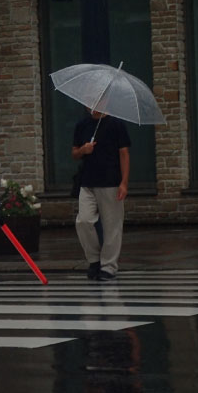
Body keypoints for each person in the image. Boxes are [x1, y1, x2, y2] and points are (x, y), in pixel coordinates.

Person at [72, 107, 130, 282]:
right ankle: (94, 259)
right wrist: (83, 150)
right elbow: (74, 153)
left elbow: (124, 153)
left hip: (110, 181)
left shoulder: (116, 124)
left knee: (112, 225)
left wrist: (124, 183)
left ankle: (108, 266)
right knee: (83, 221)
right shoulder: (82, 125)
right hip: (87, 182)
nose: (91, 104)